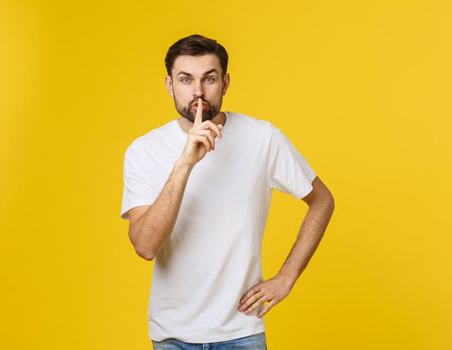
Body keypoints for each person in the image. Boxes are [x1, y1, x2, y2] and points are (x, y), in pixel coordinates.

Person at [120, 34, 335, 350]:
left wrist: (286, 277)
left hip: (241, 332)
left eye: (209, 78)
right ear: (169, 85)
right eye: (186, 79)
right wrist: (184, 164)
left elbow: (322, 201)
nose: (198, 92)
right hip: (173, 335)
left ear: (225, 82)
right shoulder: (144, 151)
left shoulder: (262, 139)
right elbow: (145, 246)